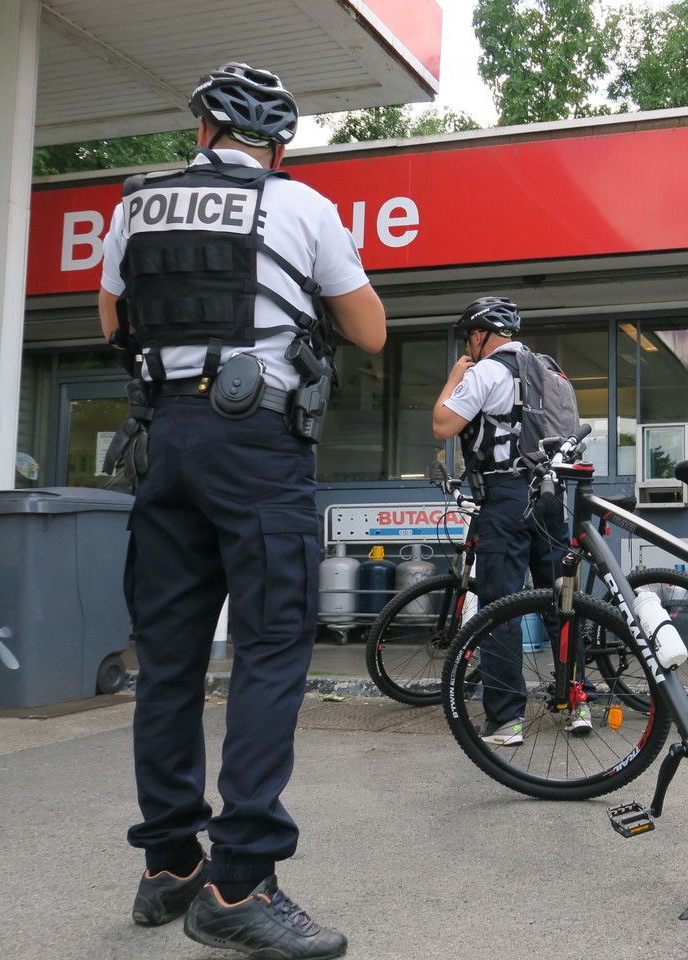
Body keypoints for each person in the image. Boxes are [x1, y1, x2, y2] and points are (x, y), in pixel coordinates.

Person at [98, 62, 385, 958]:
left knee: (172, 658)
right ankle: (239, 881)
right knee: (269, 649)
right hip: (253, 443)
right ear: (277, 143)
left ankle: (169, 864)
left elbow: (111, 322)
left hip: (163, 441)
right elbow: (370, 329)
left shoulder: (137, 203)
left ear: (200, 133)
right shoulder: (299, 207)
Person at [431, 297, 584, 745]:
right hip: (551, 495)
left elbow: (443, 424)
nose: (468, 346)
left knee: (501, 607)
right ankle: (576, 701)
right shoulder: (551, 372)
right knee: (564, 601)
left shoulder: (486, 371)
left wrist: (454, 378)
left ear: (479, 335)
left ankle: (506, 718)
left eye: (468, 337)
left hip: (508, 496)